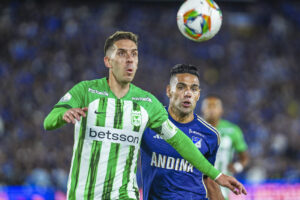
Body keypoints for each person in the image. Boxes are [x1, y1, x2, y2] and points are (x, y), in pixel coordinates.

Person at [43, 31, 246, 200]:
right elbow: (48, 121)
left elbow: (181, 142)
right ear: (108, 61)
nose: (130, 59)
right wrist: (63, 115)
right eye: (122, 54)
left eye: (134, 54)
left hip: (124, 194)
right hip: (82, 193)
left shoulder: (148, 103)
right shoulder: (86, 91)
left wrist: (216, 174)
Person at [139, 64, 224, 200]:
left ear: (198, 95)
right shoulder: (148, 123)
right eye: (181, 87)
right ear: (169, 91)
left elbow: (209, 180)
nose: (188, 93)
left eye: (194, 89)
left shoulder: (210, 135)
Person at [202, 95, 249, 200]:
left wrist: (237, 166)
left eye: (215, 106)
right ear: (203, 109)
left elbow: (244, 157)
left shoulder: (232, 130)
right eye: (209, 106)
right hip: (198, 185)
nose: (211, 110)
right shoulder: (194, 128)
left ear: (221, 110)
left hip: (222, 186)